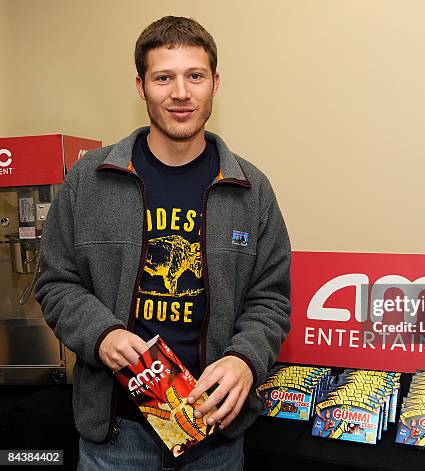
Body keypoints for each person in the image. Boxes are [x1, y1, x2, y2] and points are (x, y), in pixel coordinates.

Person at [35, 16, 291, 470]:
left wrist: (245, 360)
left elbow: (269, 298)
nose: (180, 92)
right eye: (163, 77)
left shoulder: (252, 188)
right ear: (141, 86)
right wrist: (102, 334)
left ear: (215, 83)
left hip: (214, 433)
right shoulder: (86, 180)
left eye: (194, 76)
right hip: (115, 438)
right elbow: (56, 282)